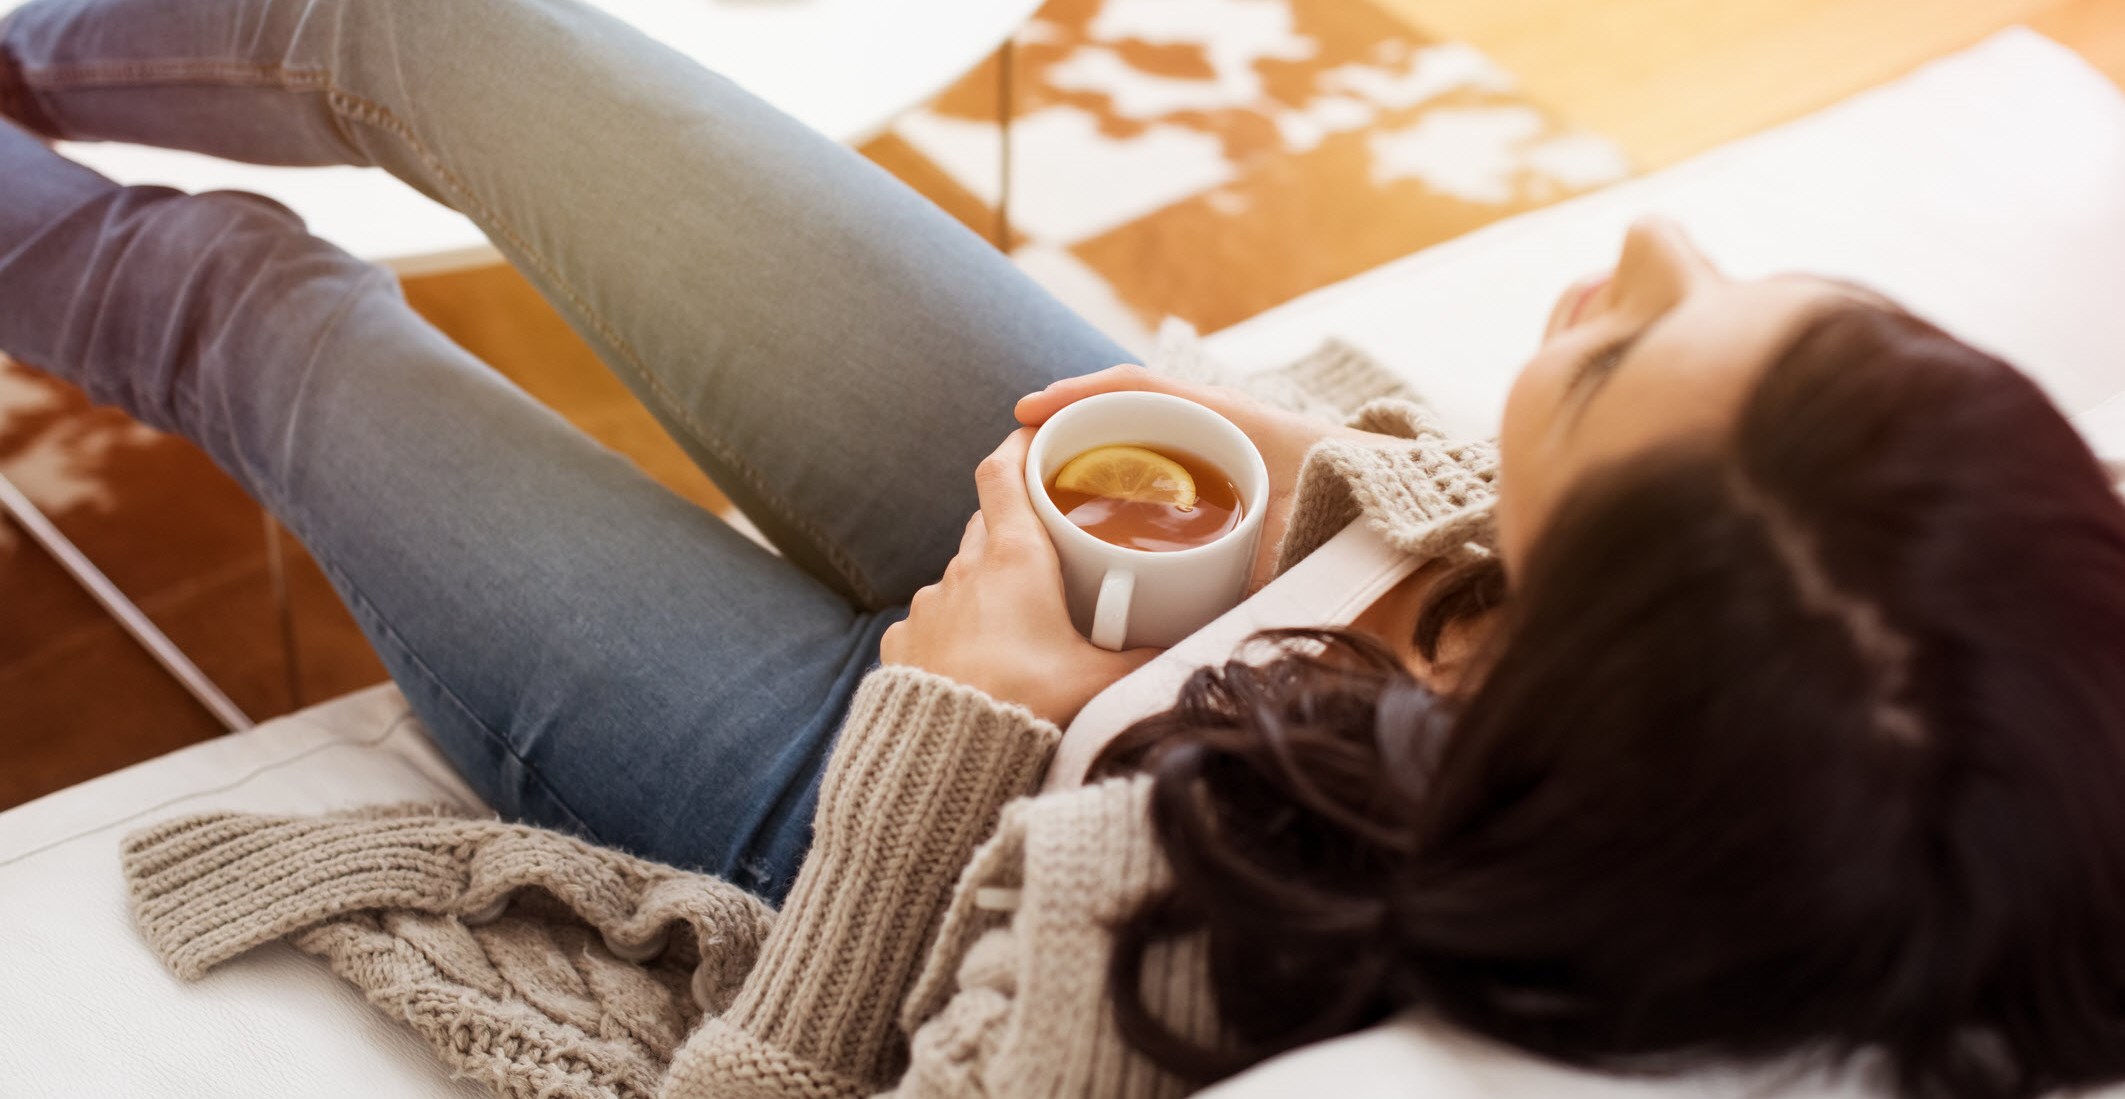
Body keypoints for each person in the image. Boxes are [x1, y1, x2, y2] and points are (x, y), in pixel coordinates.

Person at [6, 1, 2125, 1098]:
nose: (1639, 242)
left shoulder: (1171, 973)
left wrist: (960, 725)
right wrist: (1340, 501)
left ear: (1530, 697)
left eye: (1609, 360)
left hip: (886, 817)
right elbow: (1532, 542)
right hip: (1180, 591)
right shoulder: (1910, 695)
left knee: (243, 312)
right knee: (424, 24)